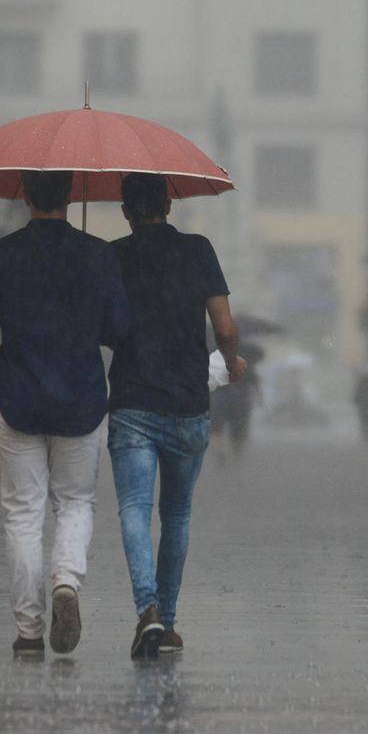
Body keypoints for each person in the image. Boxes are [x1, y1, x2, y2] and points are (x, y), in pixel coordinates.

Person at [0, 169, 131, 658]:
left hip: (17, 398)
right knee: (76, 502)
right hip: (80, 397)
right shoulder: (98, 255)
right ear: (69, 196)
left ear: (25, 197)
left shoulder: (0, 256)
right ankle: (66, 581)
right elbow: (118, 328)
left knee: (23, 513)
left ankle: (30, 629)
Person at [107, 172, 246, 659]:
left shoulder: (112, 256)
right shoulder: (199, 249)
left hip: (131, 402)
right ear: (169, 204)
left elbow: (104, 327)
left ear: (126, 211)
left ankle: (147, 609)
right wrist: (231, 362)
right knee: (177, 513)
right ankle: (166, 620)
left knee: (134, 510)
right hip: (187, 404)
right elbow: (225, 326)